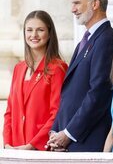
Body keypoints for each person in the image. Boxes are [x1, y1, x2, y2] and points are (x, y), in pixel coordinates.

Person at [46, 0, 113, 152]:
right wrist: (56, 132)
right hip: (69, 141)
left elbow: (98, 93)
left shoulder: (107, 39)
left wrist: (69, 133)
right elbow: (69, 93)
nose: (73, 9)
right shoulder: (84, 42)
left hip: (88, 140)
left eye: (77, 3)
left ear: (95, 4)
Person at [3, 10, 68, 150]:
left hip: (40, 148)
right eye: (29, 30)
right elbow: (9, 112)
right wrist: (7, 143)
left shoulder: (57, 68)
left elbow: (57, 112)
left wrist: (32, 145)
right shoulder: (18, 68)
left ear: (49, 34)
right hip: (15, 147)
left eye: (40, 30)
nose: (34, 35)